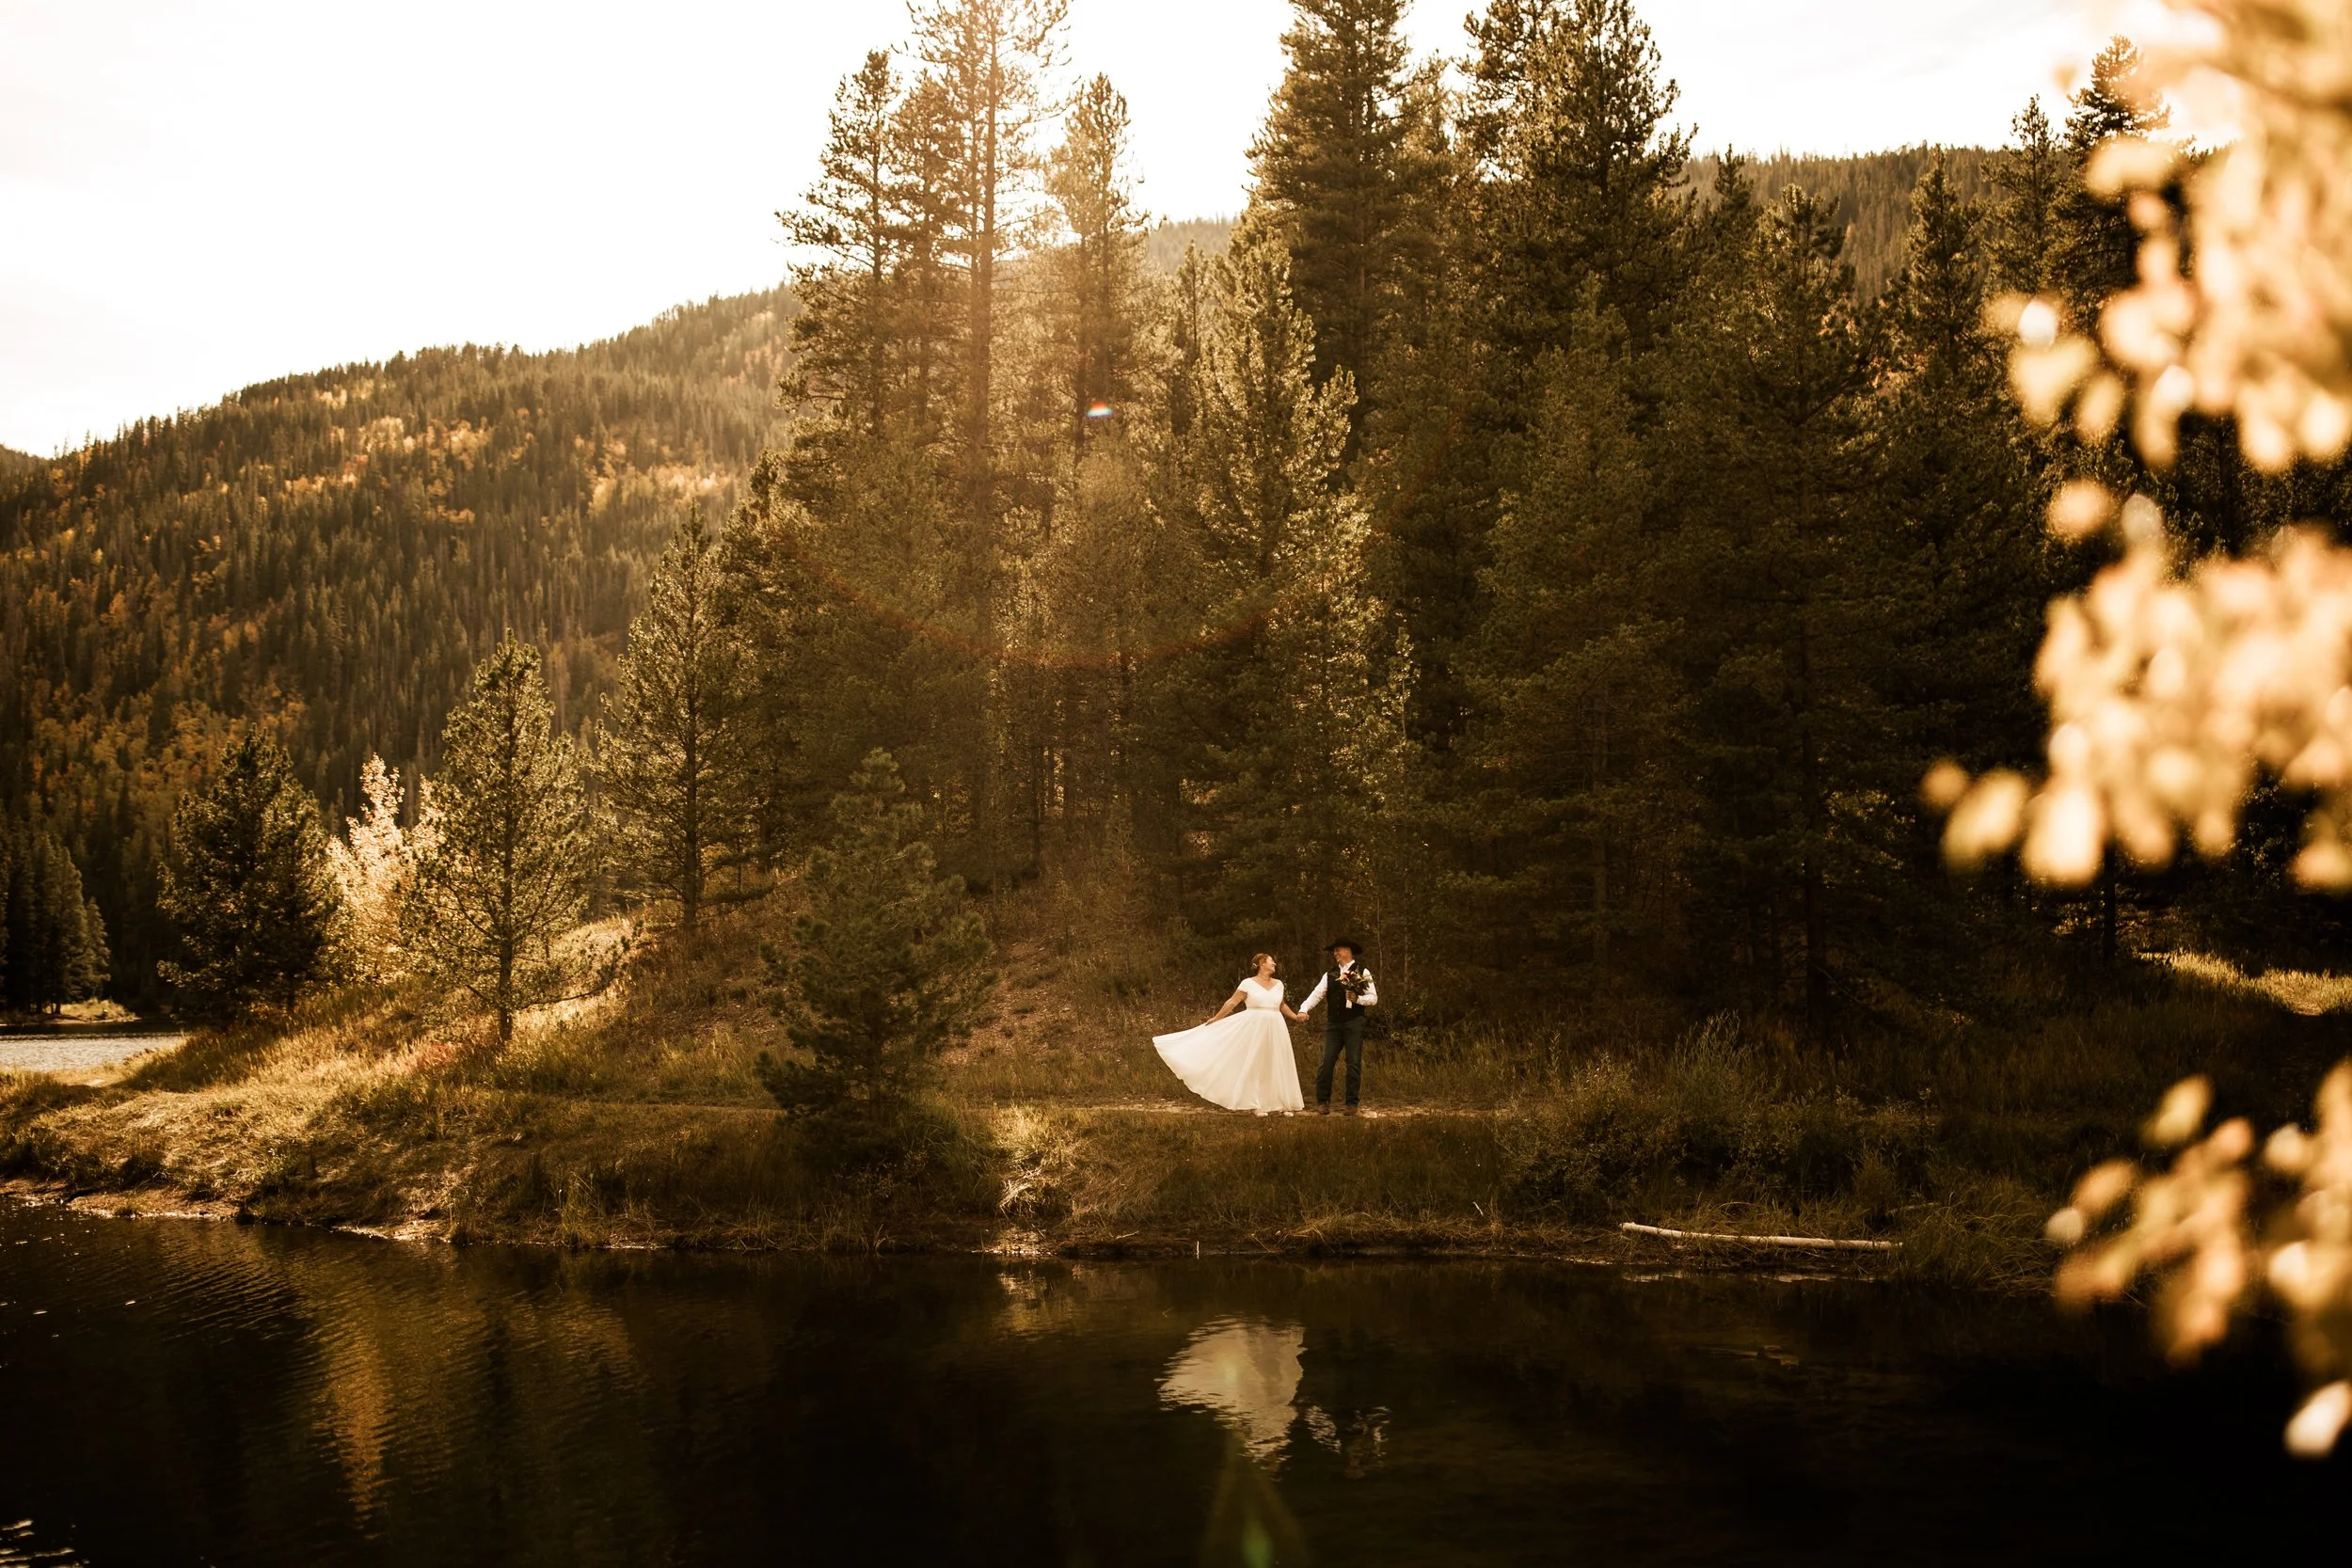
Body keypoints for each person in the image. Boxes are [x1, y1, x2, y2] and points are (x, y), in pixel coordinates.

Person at [1151, 953, 1306, 1115]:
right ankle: (1256, 1103)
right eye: (1271, 961)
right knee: (1256, 1063)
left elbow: (1281, 1005)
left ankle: (1282, 1104)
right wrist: (1217, 1018)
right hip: (1255, 1026)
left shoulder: (1278, 984)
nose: (1274, 964)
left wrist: (1295, 1016)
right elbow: (1232, 1001)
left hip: (1275, 1026)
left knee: (1277, 1061)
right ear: (1261, 963)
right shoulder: (1248, 983)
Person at [1295, 938, 1376, 1115]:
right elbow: (1317, 994)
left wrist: (1358, 999)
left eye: (1337, 950)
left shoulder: (1363, 971)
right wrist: (1303, 1009)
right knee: (1326, 1061)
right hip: (1334, 1024)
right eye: (1334, 951)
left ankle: (1352, 1104)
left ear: (1348, 950)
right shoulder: (1330, 974)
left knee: (1353, 1063)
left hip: (1354, 1023)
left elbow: (1373, 998)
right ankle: (1322, 1101)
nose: (1335, 953)